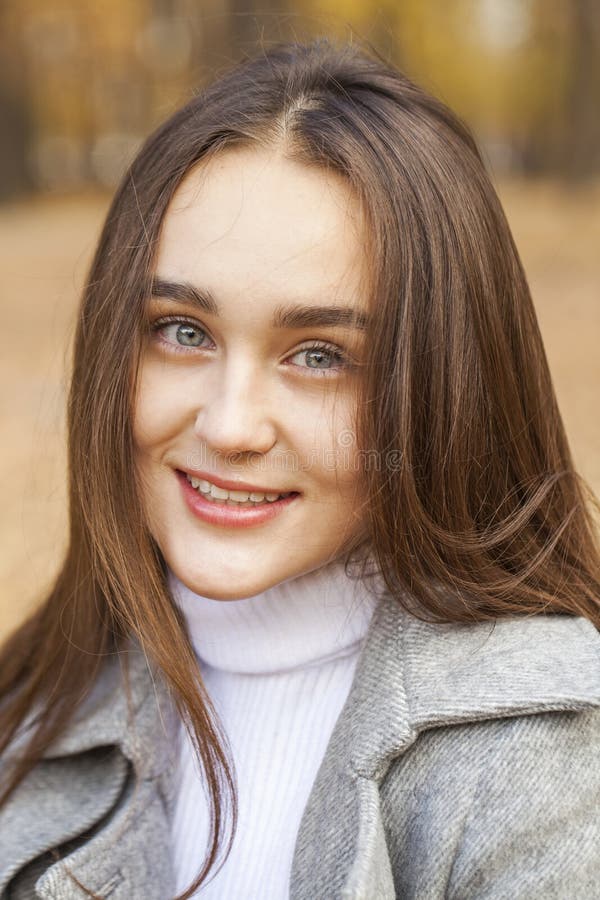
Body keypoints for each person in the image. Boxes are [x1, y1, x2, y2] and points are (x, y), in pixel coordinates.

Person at [1, 38, 599, 900]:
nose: (231, 425)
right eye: (182, 331)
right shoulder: (39, 701)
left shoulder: (545, 758)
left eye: (320, 354)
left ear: (440, 388)